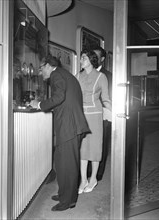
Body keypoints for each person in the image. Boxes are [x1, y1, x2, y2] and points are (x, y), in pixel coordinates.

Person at [30, 55, 90, 211]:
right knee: (62, 162)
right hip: (70, 126)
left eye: (41, 68)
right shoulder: (64, 75)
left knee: (67, 165)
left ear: (49, 65)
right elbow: (64, 99)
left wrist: (39, 104)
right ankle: (65, 193)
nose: (40, 71)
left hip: (69, 127)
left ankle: (68, 201)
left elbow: (59, 97)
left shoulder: (57, 75)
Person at [76, 49, 111, 194]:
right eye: (81, 58)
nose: (80, 60)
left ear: (91, 60)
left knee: (95, 148)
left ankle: (93, 179)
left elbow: (106, 99)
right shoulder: (78, 76)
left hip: (96, 115)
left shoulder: (101, 77)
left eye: (83, 58)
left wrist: (116, 112)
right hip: (82, 115)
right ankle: (83, 179)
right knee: (83, 148)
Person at [92, 46, 112, 181]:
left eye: (96, 57)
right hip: (87, 115)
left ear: (102, 59)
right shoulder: (83, 73)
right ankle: (87, 171)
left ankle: (98, 173)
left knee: (101, 144)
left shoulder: (109, 76)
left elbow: (109, 97)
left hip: (103, 115)